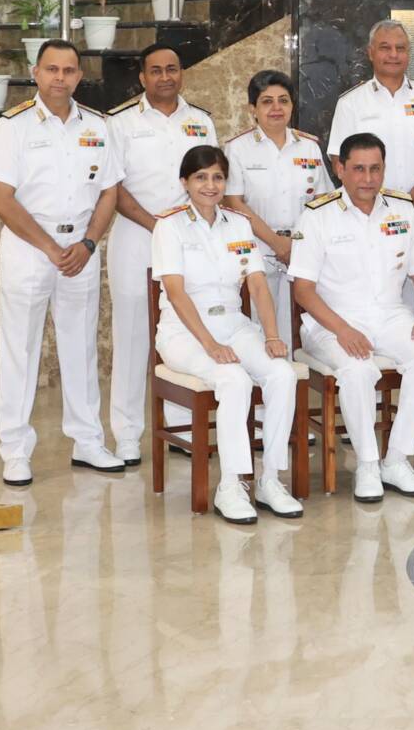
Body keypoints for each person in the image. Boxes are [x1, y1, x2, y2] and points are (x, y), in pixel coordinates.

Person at [0, 40, 122, 485]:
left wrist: (89, 242)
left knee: (81, 346)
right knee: (20, 349)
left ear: (79, 76)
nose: (60, 78)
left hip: (80, 247)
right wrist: (48, 247)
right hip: (29, 248)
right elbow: (1, 199)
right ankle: (15, 451)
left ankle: (88, 441)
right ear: (35, 73)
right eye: (51, 69)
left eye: (68, 70)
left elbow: (109, 191)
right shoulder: (13, 126)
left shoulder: (99, 125)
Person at [289, 132, 414, 503]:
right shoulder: (317, 216)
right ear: (340, 169)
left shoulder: (401, 210)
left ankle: (396, 460)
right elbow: (303, 291)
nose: (368, 178)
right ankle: (367, 464)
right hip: (331, 321)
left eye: (375, 169)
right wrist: (343, 330)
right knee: (358, 368)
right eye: (358, 169)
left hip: (391, 314)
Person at [151, 145, 302, 525]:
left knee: (282, 373)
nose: (210, 185)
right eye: (200, 177)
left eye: (217, 177)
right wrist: (210, 345)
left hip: (234, 325)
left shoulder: (238, 224)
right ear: (185, 182)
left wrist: (272, 336)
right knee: (234, 379)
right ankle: (231, 485)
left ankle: (270, 480)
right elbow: (176, 293)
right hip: (184, 333)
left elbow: (257, 284)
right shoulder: (169, 226)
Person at [104, 44, 219, 465]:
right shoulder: (119, 122)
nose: (165, 77)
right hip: (137, 236)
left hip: (190, 241)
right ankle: (127, 433)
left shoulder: (201, 120)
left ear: (181, 73)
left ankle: (180, 426)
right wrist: (158, 226)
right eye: (156, 70)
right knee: (133, 336)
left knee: (184, 329)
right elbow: (113, 188)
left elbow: (211, 181)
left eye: (172, 69)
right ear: (142, 77)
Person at [221, 69, 328, 345]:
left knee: (301, 331)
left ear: (292, 105)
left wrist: (296, 245)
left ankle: (296, 375)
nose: (276, 108)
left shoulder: (309, 147)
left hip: (303, 252)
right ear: (253, 109)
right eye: (267, 101)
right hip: (257, 251)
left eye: (283, 100)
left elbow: (322, 203)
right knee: (261, 331)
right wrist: (277, 243)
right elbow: (233, 202)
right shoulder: (237, 148)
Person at [326, 19, 414, 228]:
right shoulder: (350, 103)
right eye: (385, 48)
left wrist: (411, 201)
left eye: (401, 48)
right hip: (369, 218)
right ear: (370, 53)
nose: (394, 55)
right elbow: (338, 161)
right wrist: (375, 201)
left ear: (409, 53)